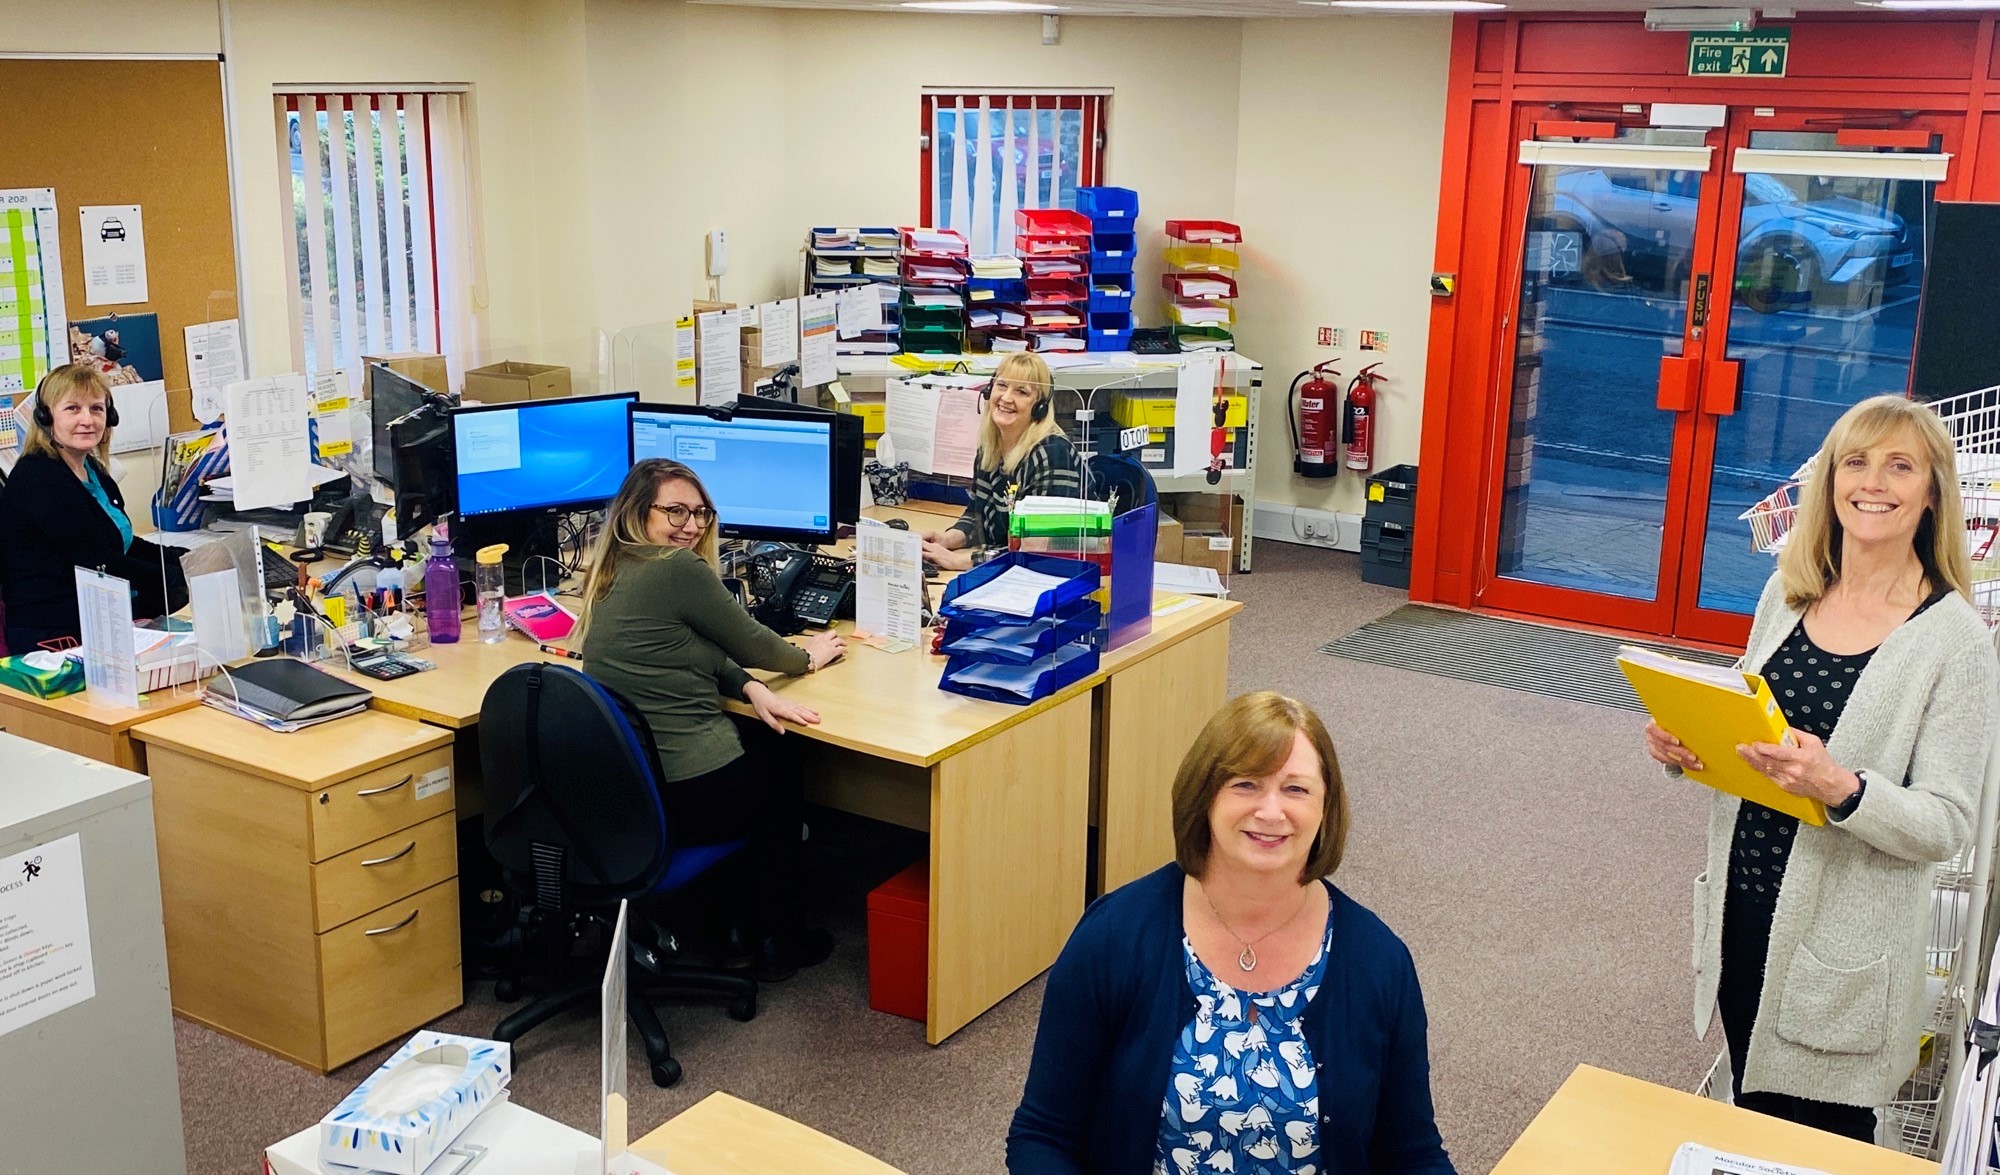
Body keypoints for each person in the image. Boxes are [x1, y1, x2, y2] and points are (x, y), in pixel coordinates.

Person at [1644, 394, 2000, 1140]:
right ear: (1831, 480)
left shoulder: (1956, 641)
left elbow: (1948, 822)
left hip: (1843, 946)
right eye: (1856, 462)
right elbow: (1756, 731)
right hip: (1746, 905)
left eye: (1900, 466)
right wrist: (1689, 745)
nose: (1873, 483)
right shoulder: (1787, 592)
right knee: (1752, 1116)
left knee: (1822, 1140)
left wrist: (1842, 787)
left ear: (1932, 492)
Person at [1009, 691, 1455, 1175]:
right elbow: (1042, 1135)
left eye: (1296, 789)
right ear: (1205, 796)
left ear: (1326, 808)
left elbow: (1413, 1154)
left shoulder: (1378, 961)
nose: (1271, 811)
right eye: (1246, 784)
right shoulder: (1114, 937)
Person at [578, 457, 847, 974]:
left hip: (632, 788)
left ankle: (734, 923)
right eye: (675, 512)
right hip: (687, 789)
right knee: (783, 767)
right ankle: (777, 942)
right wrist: (807, 657)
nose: (692, 525)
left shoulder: (612, 567)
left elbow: (697, 648)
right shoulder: (677, 569)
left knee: (764, 744)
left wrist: (747, 685)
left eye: (700, 513)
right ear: (638, 512)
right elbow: (754, 643)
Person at [0, 364, 188, 653]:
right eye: (73, 409)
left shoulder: (92, 469)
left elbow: (121, 543)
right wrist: (174, 575)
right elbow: (98, 560)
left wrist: (181, 558)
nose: (87, 420)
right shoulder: (38, 477)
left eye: (97, 409)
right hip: (55, 639)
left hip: (101, 618)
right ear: (46, 417)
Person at [921, 352, 1083, 572]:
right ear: (989, 391)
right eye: (1002, 385)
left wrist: (962, 562)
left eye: (1021, 391)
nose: (1006, 398)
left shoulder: (1052, 454)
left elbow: (1039, 549)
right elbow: (977, 514)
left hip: (1055, 574)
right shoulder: (990, 448)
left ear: (1040, 406)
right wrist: (946, 540)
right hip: (1010, 569)